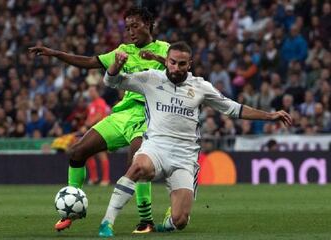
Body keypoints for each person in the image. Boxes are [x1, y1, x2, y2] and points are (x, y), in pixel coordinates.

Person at [98, 41, 292, 237]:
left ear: (189, 64)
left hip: (184, 156)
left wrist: (270, 115)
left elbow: (234, 108)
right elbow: (111, 81)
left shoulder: (200, 86)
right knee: (138, 166)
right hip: (155, 146)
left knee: (180, 221)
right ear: (167, 61)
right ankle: (107, 222)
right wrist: (116, 65)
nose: (176, 67)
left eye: (182, 64)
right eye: (172, 62)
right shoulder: (150, 79)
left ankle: (168, 222)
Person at [29, 7, 169, 233]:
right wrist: (56, 53)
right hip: (122, 115)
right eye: (128, 28)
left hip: (149, 115)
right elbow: (89, 61)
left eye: (136, 26)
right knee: (77, 151)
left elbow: (181, 71)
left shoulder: (165, 49)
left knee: (137, 163)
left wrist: (156, 58)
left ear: (149, 24)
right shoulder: (123, 50)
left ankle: (146, 221)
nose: (131, 32)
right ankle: (71, 209)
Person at [84, 85, 111, 186]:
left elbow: (99, 116)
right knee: (87, 154)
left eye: (92, 91)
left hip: (101, 131)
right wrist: (86, 125)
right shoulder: (91, 105)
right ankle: (94, 178)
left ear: (97, 92)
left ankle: (105, 179)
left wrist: (87, 124)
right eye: (89, 91)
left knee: (101, 154)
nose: (90, 93)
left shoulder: (100, 102)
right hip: (92, 132)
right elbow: (89, 117)